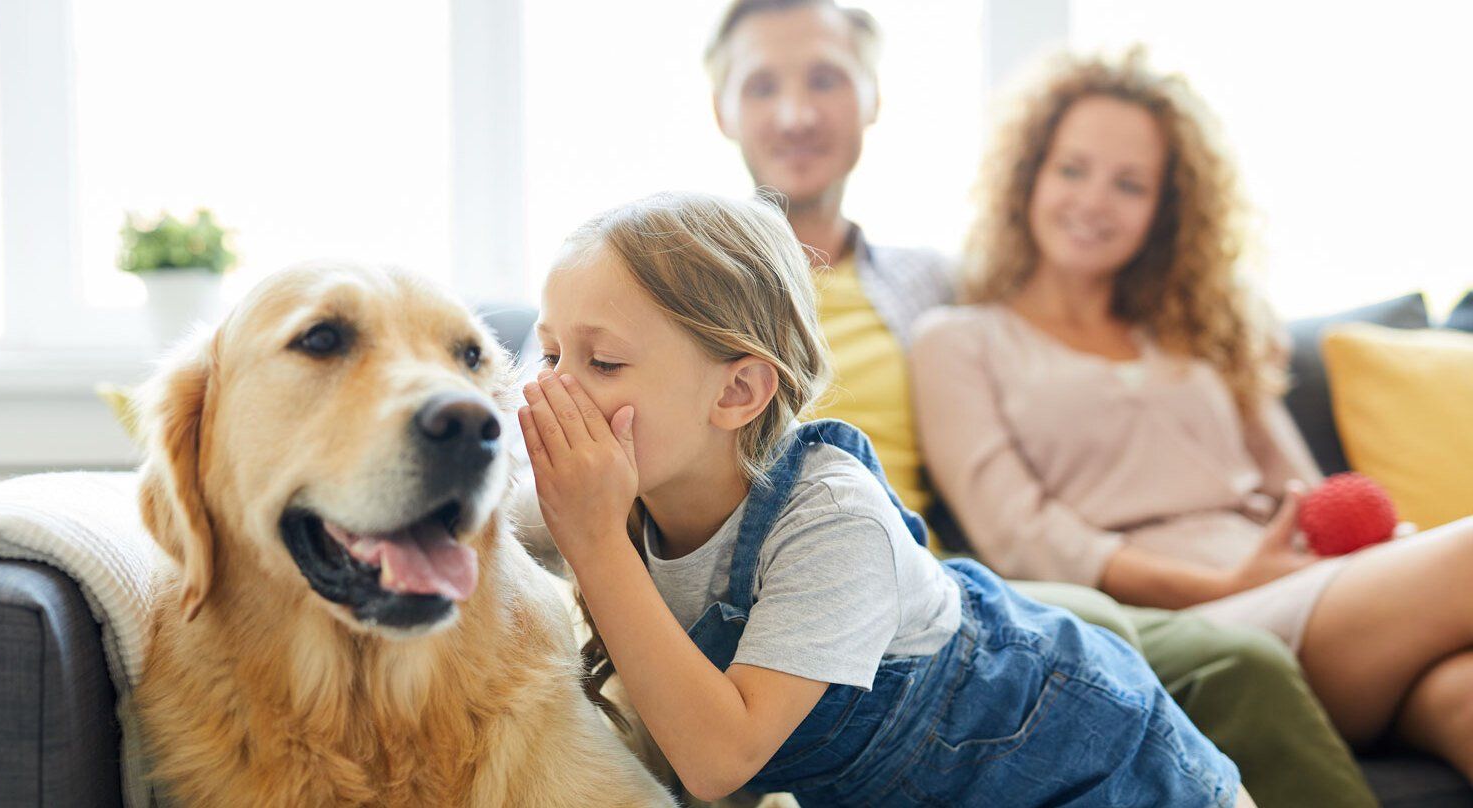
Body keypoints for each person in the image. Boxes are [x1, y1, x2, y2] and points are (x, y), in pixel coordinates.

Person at [704, 1, 1374, 804]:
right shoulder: (683, 277)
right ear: (721, 107)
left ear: (873, 97)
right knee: (1115, 632)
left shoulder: (930, 285)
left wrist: (1215, 327)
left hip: (933, 575)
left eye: (826, 80)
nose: (797, 112)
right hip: (789, 581)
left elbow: (1050, 316)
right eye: (762, 85)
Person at [519, 189, 1246, 807]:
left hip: (1094, 765)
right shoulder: (615, 487)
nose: (553, 388)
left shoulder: (832, 520)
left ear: (737, 392)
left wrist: (596, 542)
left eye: (603, 361)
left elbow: (719, 759)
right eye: (549, 354)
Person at [911, 48, 1473, 781]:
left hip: (1306, 594)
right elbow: (1024, 540)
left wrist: (1374, 554)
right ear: (1029, 177)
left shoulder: (1198, 333)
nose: (1093, 201)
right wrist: (1226, 588)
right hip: (1192, 624)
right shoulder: (959, 339)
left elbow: (1302, 493)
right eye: (1072, 169)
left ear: (1165, 208)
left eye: (1130, 184)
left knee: (1463, 695)